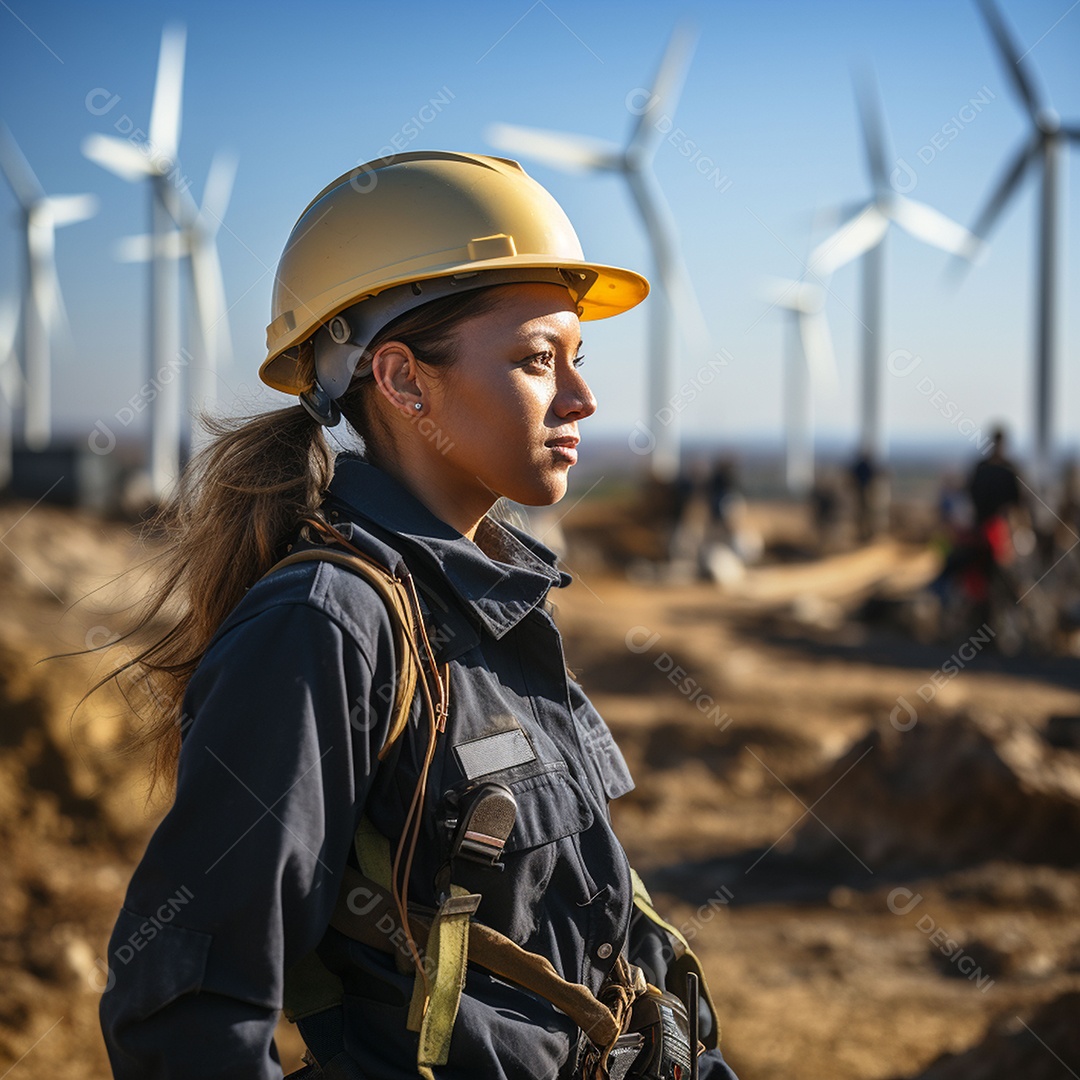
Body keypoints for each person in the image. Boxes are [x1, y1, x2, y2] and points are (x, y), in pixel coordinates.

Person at [97, 151, 740, 1080]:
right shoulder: (329, 624)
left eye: (578, 357)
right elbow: (182, 1006)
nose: (582, 397)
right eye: (536, 360)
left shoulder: (487, 606)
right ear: (401, 382)